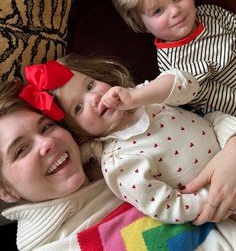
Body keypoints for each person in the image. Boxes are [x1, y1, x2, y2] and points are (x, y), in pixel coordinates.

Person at [2, 81, 236, 251]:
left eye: (46, 127)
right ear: (6, 192)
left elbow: (201, 120)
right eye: (21, 150)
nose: (47, 142)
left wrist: (232, 149)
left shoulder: (117, 143)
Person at [19, 55, 236, 227]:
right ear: (77, 132)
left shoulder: (143, 97)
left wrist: (139, 96)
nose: (93, 98)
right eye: (78, 107)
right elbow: (167, 207)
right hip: (223, 199)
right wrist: (214, 198)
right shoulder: (119, 161)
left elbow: (189, 85)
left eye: (90, 85)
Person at [111, 0, 236, 117]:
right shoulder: (171, 65)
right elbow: (212, 98)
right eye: (158, 11)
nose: (175, 11)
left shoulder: (209, 13)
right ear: (143, 26)